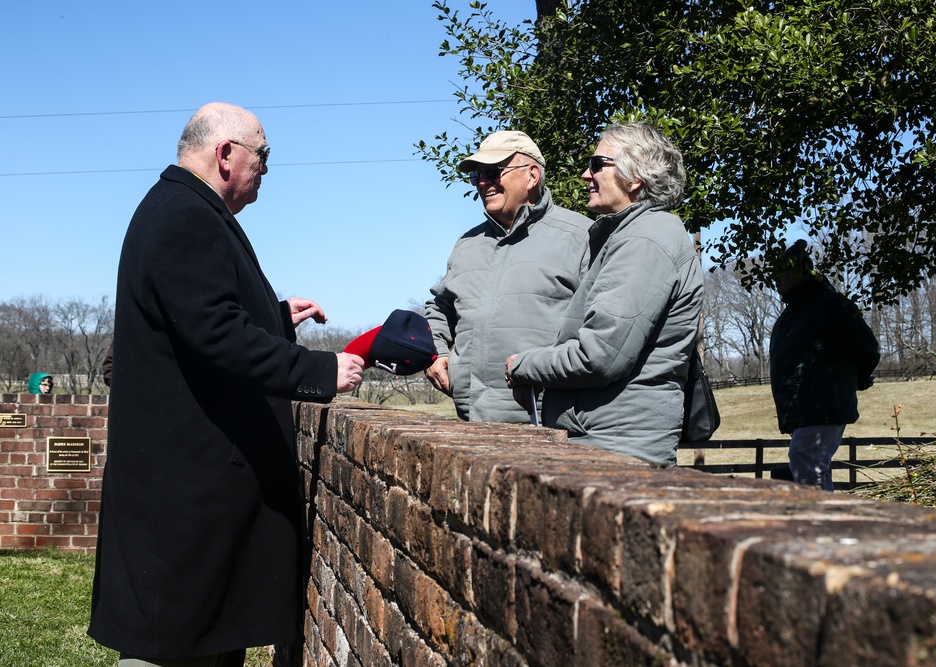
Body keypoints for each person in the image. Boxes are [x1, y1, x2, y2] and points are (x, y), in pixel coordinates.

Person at [87, 102, 365, 667]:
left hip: (185, 497)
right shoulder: (186, 216)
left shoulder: (176, 208)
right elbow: (215, 333)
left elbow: (195, 318)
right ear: (225, 154)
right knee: (173, 649)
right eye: (263, 155)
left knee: (197, 644)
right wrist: (319, 372)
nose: (266, 168)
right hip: (186, 504)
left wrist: (275, 315)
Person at [505, 122, 703, 466]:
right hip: (605, 440)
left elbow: (600, 356)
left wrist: (524, 366)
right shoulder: (635, 235)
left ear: (635, 176)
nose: (585, 174)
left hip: (616, 448)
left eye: (597, 164)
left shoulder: (645, 239)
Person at [424, 130, 592, 422]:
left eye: (493, 171)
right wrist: (435, 352)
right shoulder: (467, 243)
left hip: (550, 427)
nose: (484, 182)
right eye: (477, 176)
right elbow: (439, 308)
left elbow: (603, 329)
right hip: (470, 423)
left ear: (532, 175)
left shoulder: (581, 237)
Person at [769, 239, 881, 491]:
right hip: (807, 408)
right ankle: (822, 520)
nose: (775, 279)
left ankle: (821, 522)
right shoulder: (797, 311)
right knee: (808, 462)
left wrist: (855, 380)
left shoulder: (829, 304)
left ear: (798, 271)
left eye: (781, 273)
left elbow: (867, 347)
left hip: (823, 404)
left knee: (806, 459)